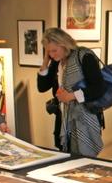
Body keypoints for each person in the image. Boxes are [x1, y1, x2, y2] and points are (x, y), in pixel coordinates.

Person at [37, 27, 106, 156]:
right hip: (63, 119)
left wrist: (72, 96)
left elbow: (99, 87)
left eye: (54, 50)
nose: (52, 54)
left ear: (64, 44)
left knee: (85, 163)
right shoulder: (56, 62)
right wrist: (45, 61)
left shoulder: (84, 56)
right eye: (48, 51)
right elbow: (42, 87)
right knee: (66, 160)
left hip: (85, 117)